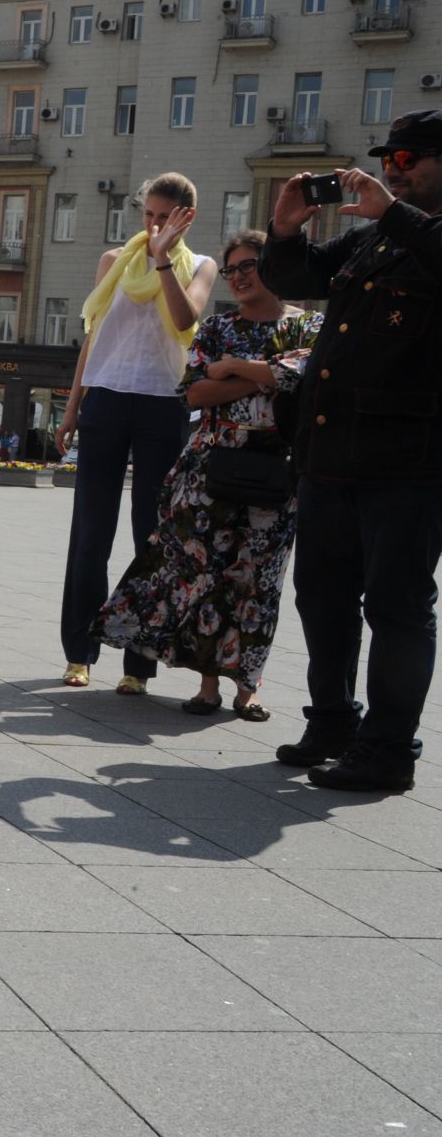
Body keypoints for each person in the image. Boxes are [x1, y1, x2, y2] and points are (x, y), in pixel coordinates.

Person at [258, 109, 442, 792]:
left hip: (406, 461)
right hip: (331, 451)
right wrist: (284, 227)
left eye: (406, 160)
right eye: (387, 161)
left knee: (396, 606)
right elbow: (299, 280)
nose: (392, 171)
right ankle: (333, 719)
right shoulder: (376, 241)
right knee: (324, 597)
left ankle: (390, 749)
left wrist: (392, 211)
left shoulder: (415, 233)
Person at [96, 232, 320, 721]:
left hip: (276, 473)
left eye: (249, 266)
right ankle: (208, 685)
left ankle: (248, 688)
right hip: (209, 468)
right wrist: (262, 373)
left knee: (259, 581)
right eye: (231, 268)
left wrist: (232, 368)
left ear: (276, 267)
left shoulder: (309, 326)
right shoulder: (217, 325)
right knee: (210, 577)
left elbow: (301, 377)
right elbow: (194, 394)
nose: (237, 276)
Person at [54, 173, 219, 694]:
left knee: (151, 538)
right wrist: (71, 406)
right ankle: (79, 653)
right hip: (105, 398)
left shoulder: (201, 266)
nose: (152, 224)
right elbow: (94, 338)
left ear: (185, 217)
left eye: (163, 215)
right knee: (90, 535)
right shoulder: (114, 261)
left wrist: (166, 258)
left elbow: (183, 316)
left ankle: (138, 666)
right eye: (148, 214)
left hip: (163, 406)